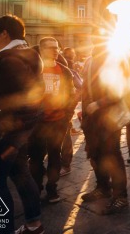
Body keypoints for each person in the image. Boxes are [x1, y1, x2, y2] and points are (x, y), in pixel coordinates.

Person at [0, 15, 45, 233]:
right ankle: (34, 224)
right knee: (20, 173)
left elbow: (4, 98)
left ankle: (3, 229)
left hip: (5, 129)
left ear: (5, 33)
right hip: (20, 128)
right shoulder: (31, 55)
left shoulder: (8, 60)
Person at [80, 27, 129, 215]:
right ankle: (103, 188)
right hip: (92, 119)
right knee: (96, 154)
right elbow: (86, 88)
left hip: (109, 118)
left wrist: (98, 103)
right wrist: (84, 111)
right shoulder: (91, 59)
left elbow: (119, 91)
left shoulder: (113, 59)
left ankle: (121, 197)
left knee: (112, 156)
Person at [28, 37, 76, 203]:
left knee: (55, 156)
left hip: (58, 121)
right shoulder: (33, 70)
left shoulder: (64, 71)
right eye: (50, 48)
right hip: (38, 122)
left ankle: (52, 189)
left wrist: (67, 116)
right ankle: (36, 188)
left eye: (57, 48)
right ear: (41, 50)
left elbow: (72, 95)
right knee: (36, 157)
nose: (55, 51)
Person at [60, 47, 83, 176]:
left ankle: (65, 164)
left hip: (64, 110)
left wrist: (70, 106)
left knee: (65, 136)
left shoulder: (68, 70)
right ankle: (62, 163)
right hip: (51, 111)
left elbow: (80, 88)